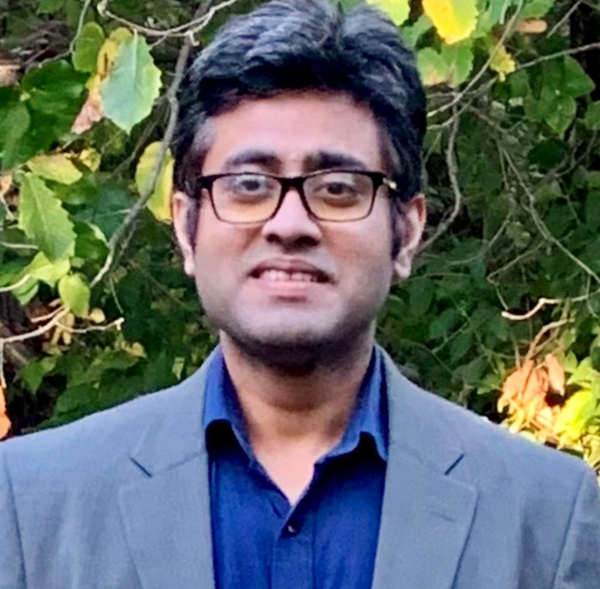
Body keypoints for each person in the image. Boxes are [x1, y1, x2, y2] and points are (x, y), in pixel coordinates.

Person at [1, 1, 599, 588]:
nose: (289, 224)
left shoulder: (544, 517)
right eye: (248, 185)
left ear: (407, 231)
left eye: (337, 188)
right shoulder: (35, 504)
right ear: (186, 227)